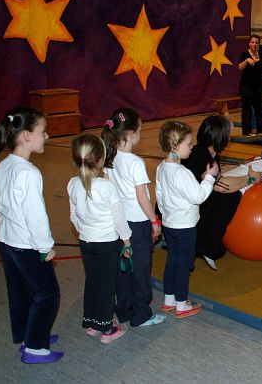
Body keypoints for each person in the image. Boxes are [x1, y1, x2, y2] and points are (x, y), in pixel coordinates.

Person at [0, 107, 62, 364]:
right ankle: (35, 347)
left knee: (20, 292)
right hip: (27, 245)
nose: (47, 137)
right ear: (26, 136)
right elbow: (35, 216)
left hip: (6, 242)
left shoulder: (3, 166)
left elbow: (0, 207)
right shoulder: (29, 173)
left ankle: (27, 335)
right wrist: (45, 246)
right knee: (47, 295)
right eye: (43, 131)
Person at [68, 134, 146, 344]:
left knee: (93, 281)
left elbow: (74, 216)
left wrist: (85, 231)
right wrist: (127, 242)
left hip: (86, 242)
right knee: (107, 285)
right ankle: (107, 328)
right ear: (101, 159)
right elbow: (119, 220)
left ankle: (93, 321)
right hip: (106, 244)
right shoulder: (107, 187)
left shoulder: (73, 184)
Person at [102, 108, 166, 327]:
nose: (140, 134)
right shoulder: (135, 162)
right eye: (139, 130)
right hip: (137, 224)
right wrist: (154, 221)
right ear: (130, 134)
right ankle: (141, 315)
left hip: (119, 223)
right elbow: (142, 197)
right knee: (141, 270)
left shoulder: (110, 156)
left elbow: (107, 188)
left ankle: (124, 310)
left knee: (124, 268)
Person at [180, 115, 262, 271]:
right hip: (184, 212)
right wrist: (251, 178)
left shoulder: (211, 154)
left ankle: (206, 243)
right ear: (219, 136)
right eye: (227, 133)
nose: (229, 137)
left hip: (195, 203)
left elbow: (216, 181)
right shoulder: (199, 154)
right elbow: (219, 186)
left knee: (231, 193)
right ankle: (207, 246)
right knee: (231, 195)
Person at [155, 121, 219, 318]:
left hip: (170, 224)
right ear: (175, 146)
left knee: (172, 262)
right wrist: (210, 177)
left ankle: (169, 300)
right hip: (185, 227)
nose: (192, 147)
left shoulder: (161, 167)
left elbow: (159, 196)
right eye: (188, 144)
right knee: (184, 266)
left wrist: (165, 215)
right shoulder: (182, 173)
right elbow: (198, 196)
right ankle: (182, 305)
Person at [238, 34, 262, 137]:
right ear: (249, 43)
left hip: (257, 86)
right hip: (246, 86)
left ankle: (261, 129)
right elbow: (240, 67)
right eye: (252, 42)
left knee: (260, 108)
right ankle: (247, 132)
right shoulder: (245, 54)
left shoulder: (260, 54)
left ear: (259, 44)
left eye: (257, 43)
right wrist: (247, 61)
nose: (254, 44)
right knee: (247, 110)